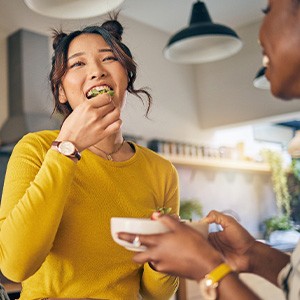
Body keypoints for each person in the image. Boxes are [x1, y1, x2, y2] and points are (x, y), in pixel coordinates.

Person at [118, 1, 300, 299]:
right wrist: (251, 253)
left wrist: (209, 267)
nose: (260, 32)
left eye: (268, 10)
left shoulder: (160, 170)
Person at [0, 16, 179, 300]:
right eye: (78, 63)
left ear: (127, 77)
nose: (97, 71)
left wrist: (166, 249)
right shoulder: (35, 149)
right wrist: (67, 147)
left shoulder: (161, 170)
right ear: (61, 91)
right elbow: (15, 266)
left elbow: (156, 292)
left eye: (108, 59)